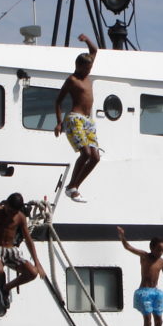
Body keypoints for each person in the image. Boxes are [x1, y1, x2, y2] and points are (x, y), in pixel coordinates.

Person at [0, 193, 45, 320]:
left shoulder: (20, 217)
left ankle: (6, 288)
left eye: (14, 212)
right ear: (6, 205)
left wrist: (37, 263)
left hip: (11, 249)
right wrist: (3, 224)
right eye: (9, 211)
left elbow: (28, 239)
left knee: (32, 273)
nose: (11, 214)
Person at [54, 33, 99, 202]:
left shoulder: (87, 74)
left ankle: (74, 186)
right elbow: (58, 101)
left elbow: (94, 50)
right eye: (86, 68)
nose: (89, 71)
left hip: (88, 121)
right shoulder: (72, 80)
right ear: (78, 66)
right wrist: (59, 122)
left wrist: (86, 39)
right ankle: (72, 187)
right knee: (85, 153)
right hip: (75, 118)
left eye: (90, 68)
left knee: (95, 158)